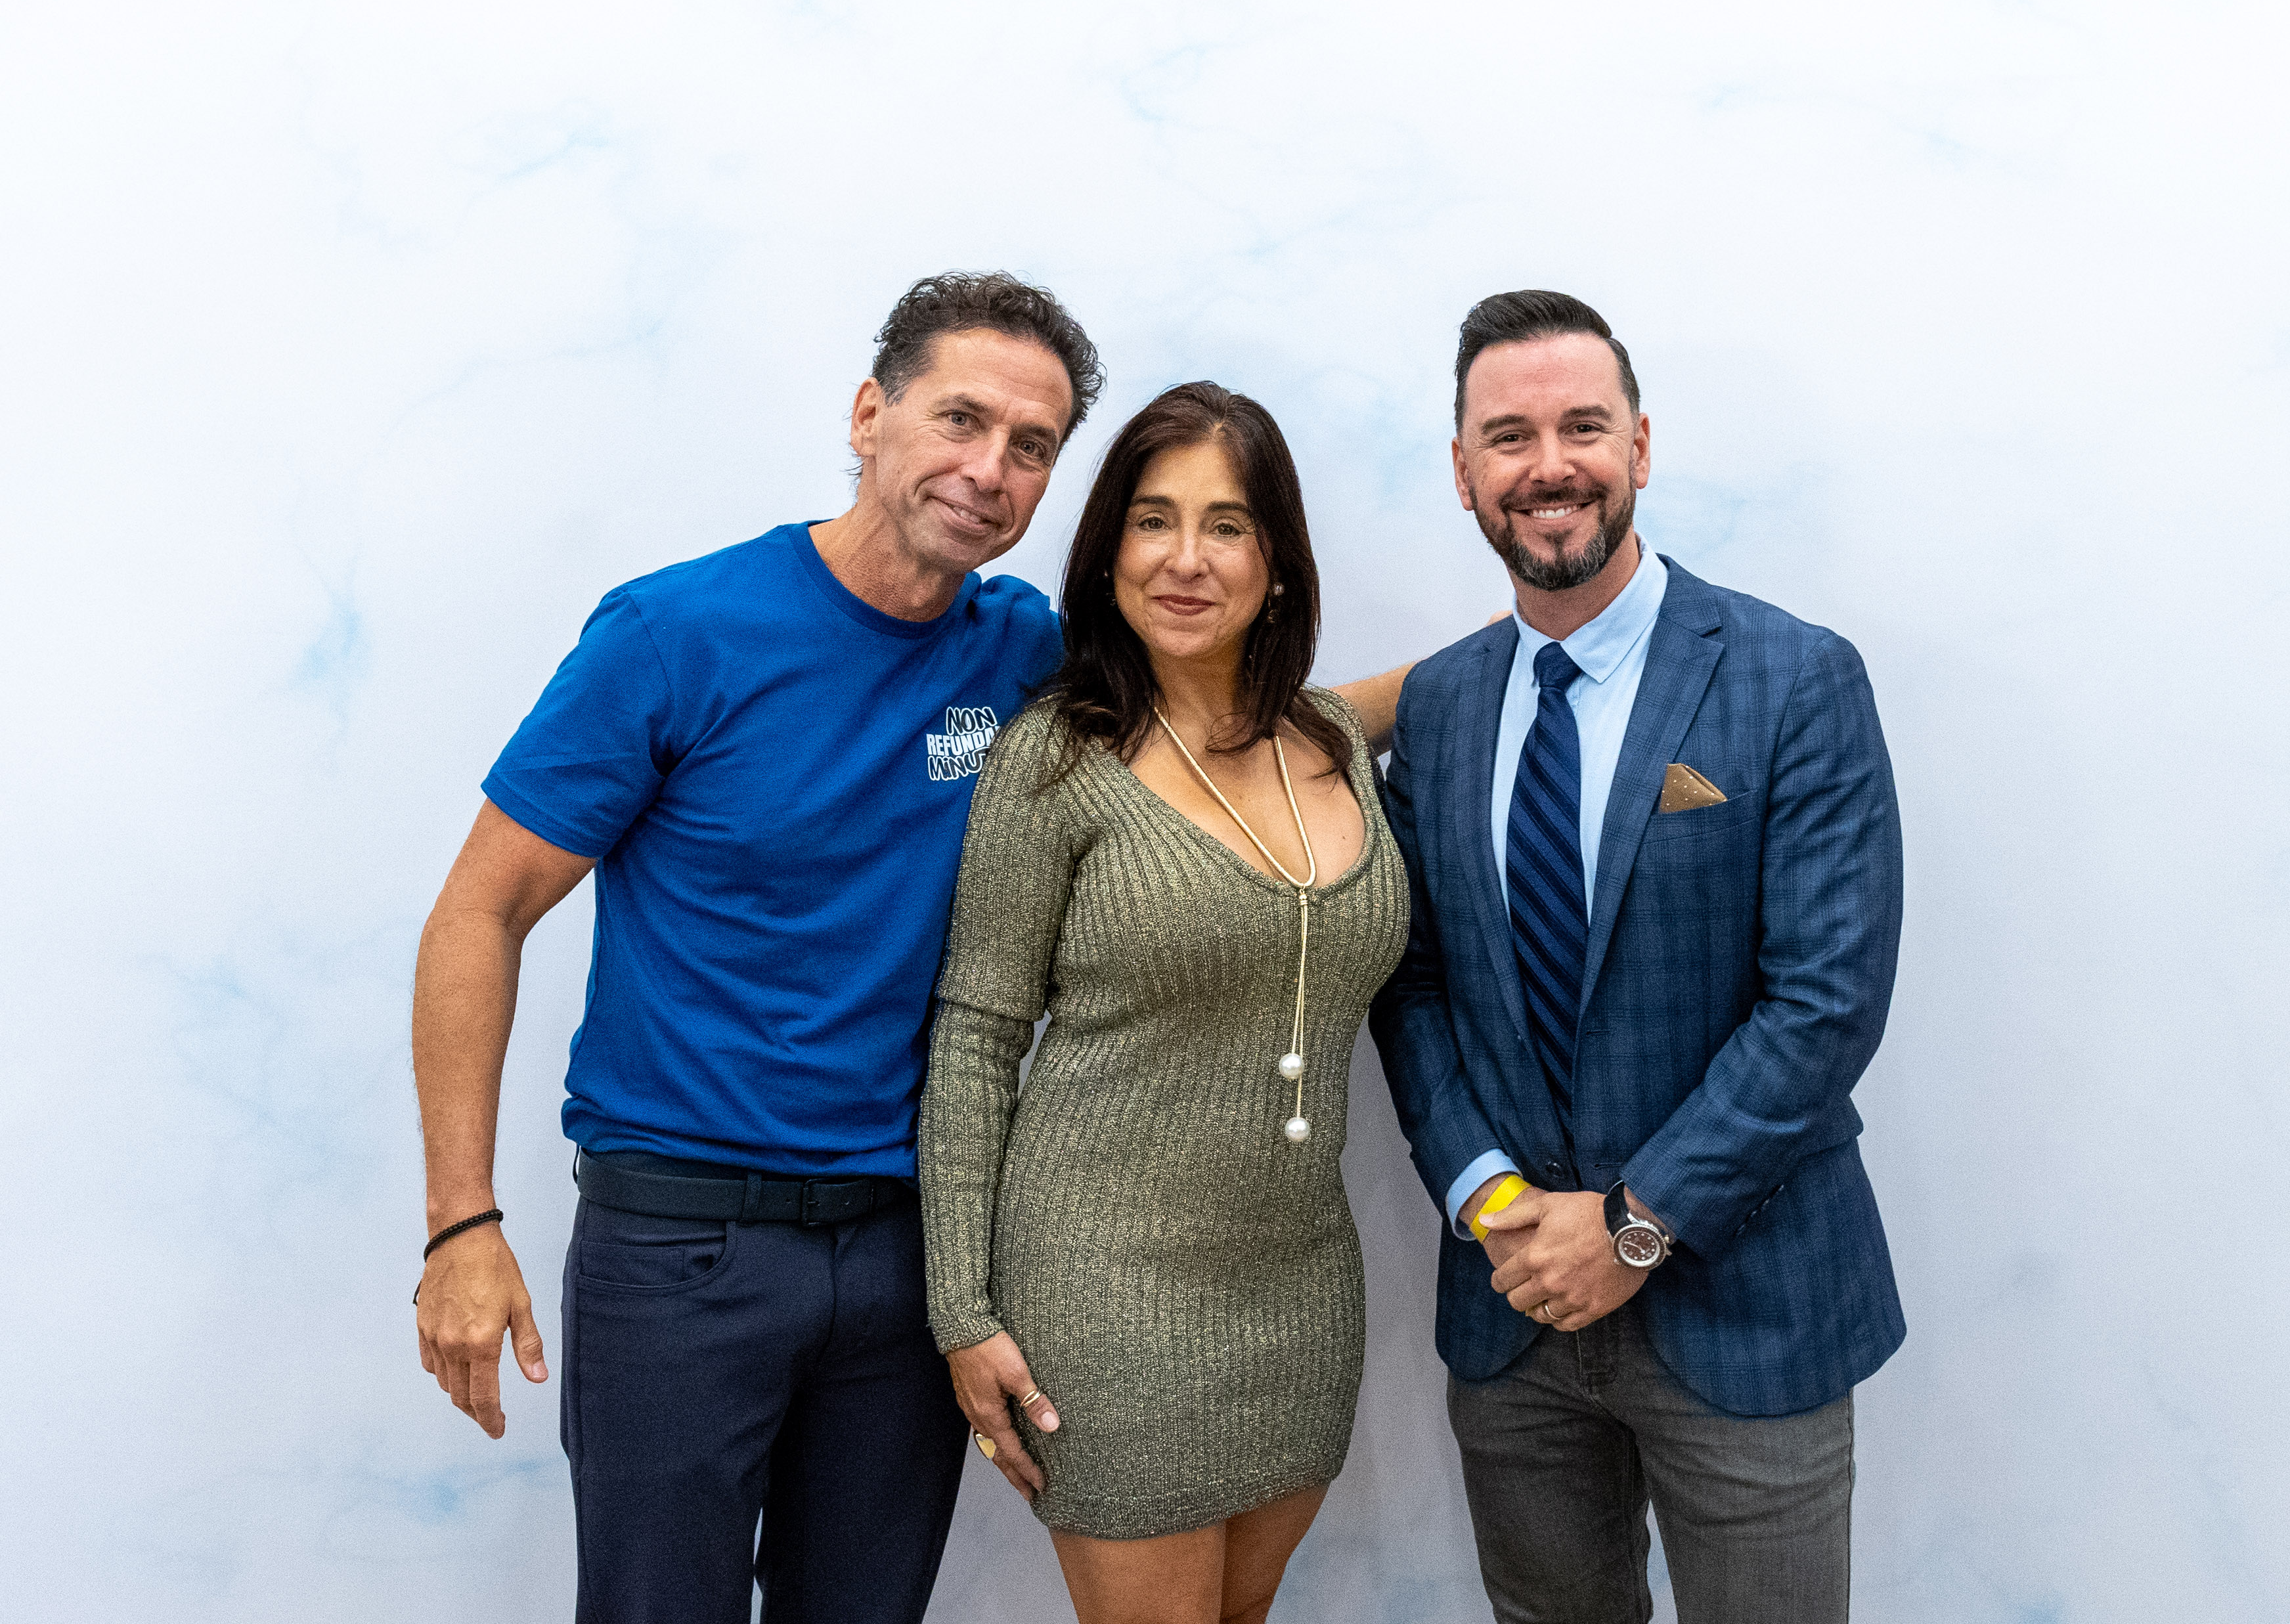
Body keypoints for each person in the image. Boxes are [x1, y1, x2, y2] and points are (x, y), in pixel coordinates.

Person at [408, 274, 1403, 1623]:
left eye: (1031, 445)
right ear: (868, 414)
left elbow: (1220, 726)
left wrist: (1474, 670)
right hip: (686, 1241)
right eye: (959, 419)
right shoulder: (676, 635)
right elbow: (479, 912)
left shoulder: (1023, 654)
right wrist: (461, 1222)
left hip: (904, 1250)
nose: (989, 468)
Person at [1369, 290, 1906, 1624]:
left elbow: (1824, 1003)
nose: (1547, 464)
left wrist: (1631, 1226)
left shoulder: (1793, 677)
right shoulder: (1434, 709)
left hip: (1746, 1304)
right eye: (1508, 436)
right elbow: (1413, 982)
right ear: (1462, 471)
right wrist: (1490, 1198)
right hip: (1512, 1314)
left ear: (1640, 447)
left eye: (1582, 426)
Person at [917, 382, 1410, 1624]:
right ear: (1108, 552)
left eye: (1227, 525)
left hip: (1302, 1287)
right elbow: (975, 1038)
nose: (1185, 559)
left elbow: (1443, 683)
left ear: (1278, 563)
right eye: (1152, 520)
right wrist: (961, 1311)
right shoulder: (1055, 759)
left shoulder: (1330, 745)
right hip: (1104, 1295)